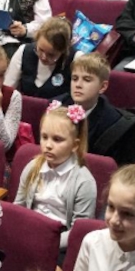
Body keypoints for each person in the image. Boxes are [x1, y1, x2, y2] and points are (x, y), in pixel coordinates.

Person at [14, 103, 96, 255]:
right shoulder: (32, 167)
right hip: (29, 233)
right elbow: (19, 208)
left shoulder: (84, 182)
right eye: (44, 137)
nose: (48, 145)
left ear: (75, 145)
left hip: (60, 245)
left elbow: (78, 232)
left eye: (57, 139)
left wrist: (45, 244)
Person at [64, 52, 135, 166]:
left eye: (87, 80)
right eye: (75, 78)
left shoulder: (117, 126)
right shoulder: (57, 106)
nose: (78, 85)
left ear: (103, 87)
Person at [5, 17, 74, 99]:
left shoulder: (75, 59)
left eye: (51, 55)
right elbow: (7, 90)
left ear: (64, 51)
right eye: (40, 50)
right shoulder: (24, 51)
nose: (44, 57)